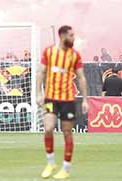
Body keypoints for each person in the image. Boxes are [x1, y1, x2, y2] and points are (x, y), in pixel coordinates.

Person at [37, 25, 88, 180]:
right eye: (71, 36)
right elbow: (41, 72)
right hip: (51, 97)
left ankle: (65, 168)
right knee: (48, 128)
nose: (73, 38)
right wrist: (39, 93)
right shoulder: (49, 52)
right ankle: (50, 163)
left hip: (67, 99)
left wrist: (85, 99)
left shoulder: (75, 55)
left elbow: (81, 77)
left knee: (67, 132)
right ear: (62, 36)